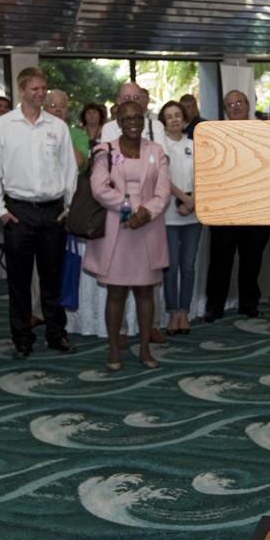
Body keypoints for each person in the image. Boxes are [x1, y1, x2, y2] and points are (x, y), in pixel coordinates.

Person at [0, 66, 78, 358]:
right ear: (22, 90)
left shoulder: (57, 126)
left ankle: (56, 333)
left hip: (53, 212)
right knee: (19, 281)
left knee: (52, 278)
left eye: (43, 89)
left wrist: (70, 207)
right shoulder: (2, 126)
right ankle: (22, 338)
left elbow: (69, 170)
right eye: (35, 89)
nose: (40, 94)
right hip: (18, 212)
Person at [85, 101, 170, 370]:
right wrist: (132, 209)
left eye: (138, 117)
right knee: (116, 293)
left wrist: (146, 212)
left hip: (148, 227)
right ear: (118, 121)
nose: (133, 122)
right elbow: (99, 188)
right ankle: (114, 350)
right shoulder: (104, 151)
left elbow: (163, 191)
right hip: (116, 231)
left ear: (144, 120)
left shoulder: (157, 151)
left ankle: (145, 349)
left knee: (146, 292)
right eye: (127, 118)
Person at [204, 89, 269, 321]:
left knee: (252, 261)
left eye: (239, 102)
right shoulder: (216, 134)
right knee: (220, 262)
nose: (236, 107)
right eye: (230, 105)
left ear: (248, 104)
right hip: (225, 208)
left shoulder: (263, 132)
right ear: (225, 110)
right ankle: (214, 307)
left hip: (256, 207)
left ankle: (249, 305)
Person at [158, 100, 199, 335]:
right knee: (171, 267)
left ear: (184, 119)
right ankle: (172, 313)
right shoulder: (159, 146)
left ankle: (185, 312)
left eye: (177, 115)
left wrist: (193, 200)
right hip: (169, 215)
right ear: (164, 121)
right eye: (169, 116)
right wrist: (184, 198)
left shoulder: (195, 144)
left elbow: (203, 174)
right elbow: (162, 177)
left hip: (193, 213)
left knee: (189, 266)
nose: (174, 119)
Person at [46, 89, 87, 168]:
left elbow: (79, 162)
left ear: (67, 111)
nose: (58, 110)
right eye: (53, 106)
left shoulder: (79, 134)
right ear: (45, 110)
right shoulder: (37, 131)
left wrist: (59, 133)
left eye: (62, 106)